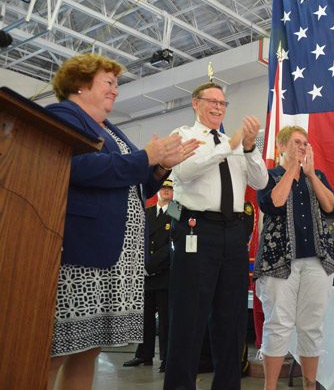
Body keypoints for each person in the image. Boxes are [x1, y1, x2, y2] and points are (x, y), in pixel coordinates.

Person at [45, 53, 198, 390]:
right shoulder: (63, 116)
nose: (116, 89)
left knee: (87, 349)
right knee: (57, 349)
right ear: (82, 85)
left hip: (117, 256)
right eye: (109, 82)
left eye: (117, 83)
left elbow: (137, 184)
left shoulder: (111, 130)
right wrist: (147, 157)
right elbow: (79, 167)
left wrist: (160, 167)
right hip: (84, 251)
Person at [164, 82, 268, 390]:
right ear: (196, 103)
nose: (219, 108)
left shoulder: (235, 142)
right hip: (197, 229)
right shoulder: (183, 135)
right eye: (212, 101)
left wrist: (247, 147)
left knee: (232, 317)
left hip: (233, 233)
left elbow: (260, 180)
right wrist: (229, 144)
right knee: (189, 317)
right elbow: (184, 172)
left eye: (223, 104)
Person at [254, 125, 334, 390]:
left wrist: (311, 175)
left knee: (311, 325)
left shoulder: (316, 176)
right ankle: (270, 386)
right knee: (278, 324)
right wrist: (292, 169)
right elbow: (273, 203)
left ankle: (309, 384)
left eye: (305, 143)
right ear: (281, 147)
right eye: (296, 143)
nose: (303, 147)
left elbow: (332, 207)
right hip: (279, 263)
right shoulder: (268, 176)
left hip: (316, 260)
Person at [123, 178, 174, 372]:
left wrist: (152, 264)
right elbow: (137, 239)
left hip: (165, 273)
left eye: (170, 188)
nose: (166, 190)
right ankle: (143, 355)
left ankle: (167, 358)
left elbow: (174, 243)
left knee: (166, 321)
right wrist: (142, 265)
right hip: (145, 274)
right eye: (163, 187)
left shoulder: (177, 212)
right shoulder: (148, 212)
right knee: (144, 318)